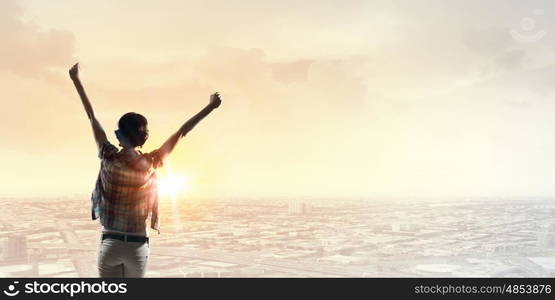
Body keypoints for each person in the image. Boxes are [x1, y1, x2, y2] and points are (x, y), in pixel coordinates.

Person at [69, 62, 222, 277]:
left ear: (120, 135)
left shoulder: (108, 156)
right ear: (143, 137)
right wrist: (210, 107)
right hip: (136, 244)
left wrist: (76, 80)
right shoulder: (152, 162)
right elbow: (181, 132)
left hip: (110, 242)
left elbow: (91, 116)